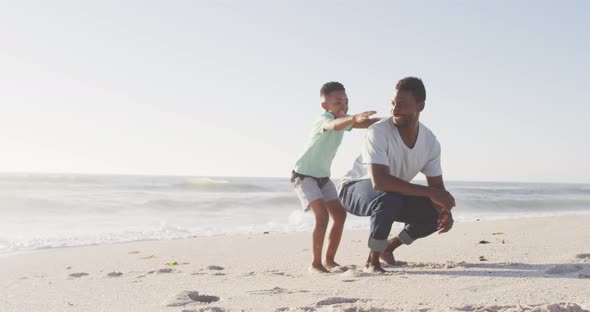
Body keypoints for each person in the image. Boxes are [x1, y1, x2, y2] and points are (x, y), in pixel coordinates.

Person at [337, 77, 455, 273]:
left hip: (391, 193)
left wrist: (445, 211)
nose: (394, 109)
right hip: (354, 188)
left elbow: (437, 190)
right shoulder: (378, 131)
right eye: (392, 103)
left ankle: (389, 247)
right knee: (388, 198)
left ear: (420, 106)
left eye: (401, 104)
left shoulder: (430, 142)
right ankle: (372, 260)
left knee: (436, 212)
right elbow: (380, 181)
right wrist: (430, 193)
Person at [292, 81, 380, 273]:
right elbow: (333, 125)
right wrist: (353, 117)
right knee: (322, 217)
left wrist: (388, 121)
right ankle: (315, 264)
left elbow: (362, 123)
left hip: (323, 178)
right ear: (325, 105)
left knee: (339, 215)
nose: (344, 106)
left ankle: (329, 261)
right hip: (304, 175)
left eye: (346, 102)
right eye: (338, 102)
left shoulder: (345, 119)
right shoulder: (324, 119)